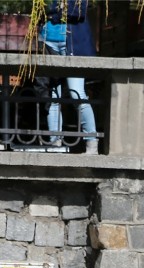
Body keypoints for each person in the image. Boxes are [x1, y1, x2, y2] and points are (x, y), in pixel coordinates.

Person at [36, 0, 98, 154]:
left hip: (71, 43)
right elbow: (41, 10)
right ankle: (54, 141)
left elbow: (77, 11)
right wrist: (55, 11)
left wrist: (54, 13)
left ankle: (92, 141)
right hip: (47, 42)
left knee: (76, 93)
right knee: (53, 95)